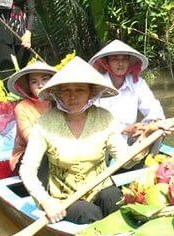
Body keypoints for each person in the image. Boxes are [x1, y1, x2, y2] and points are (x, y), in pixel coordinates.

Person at [19, 57, 164, 225]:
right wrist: (46, 202)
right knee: (88, 213)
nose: (72, 96)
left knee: (115, 200)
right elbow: (27, 169)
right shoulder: (45, 124)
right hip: (66, 198)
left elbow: (126, 160)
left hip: (100, 189)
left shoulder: (104, 118)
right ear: (58, 94)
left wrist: (146, 136)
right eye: (66, 90)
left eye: (80, 90)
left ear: (91, 93)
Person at [89, 39, 165, 141]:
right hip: (103, 139)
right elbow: (93, 119)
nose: (121, 63)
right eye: (115, 59)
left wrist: (150, 124)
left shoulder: (137, 83)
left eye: (125, 59)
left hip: (130, 138)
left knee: (158, 132)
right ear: (106, 63)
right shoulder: (97, 85)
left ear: (129, 62)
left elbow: (153, 106)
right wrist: (123, 129)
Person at [6, 61, 56, 174]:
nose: (40, 85)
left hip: (58, 152)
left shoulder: (59, 104)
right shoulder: (22, 108)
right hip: (27, 157)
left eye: (45, 79)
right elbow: (33, 141)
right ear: (29, 86)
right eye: (34, 82)